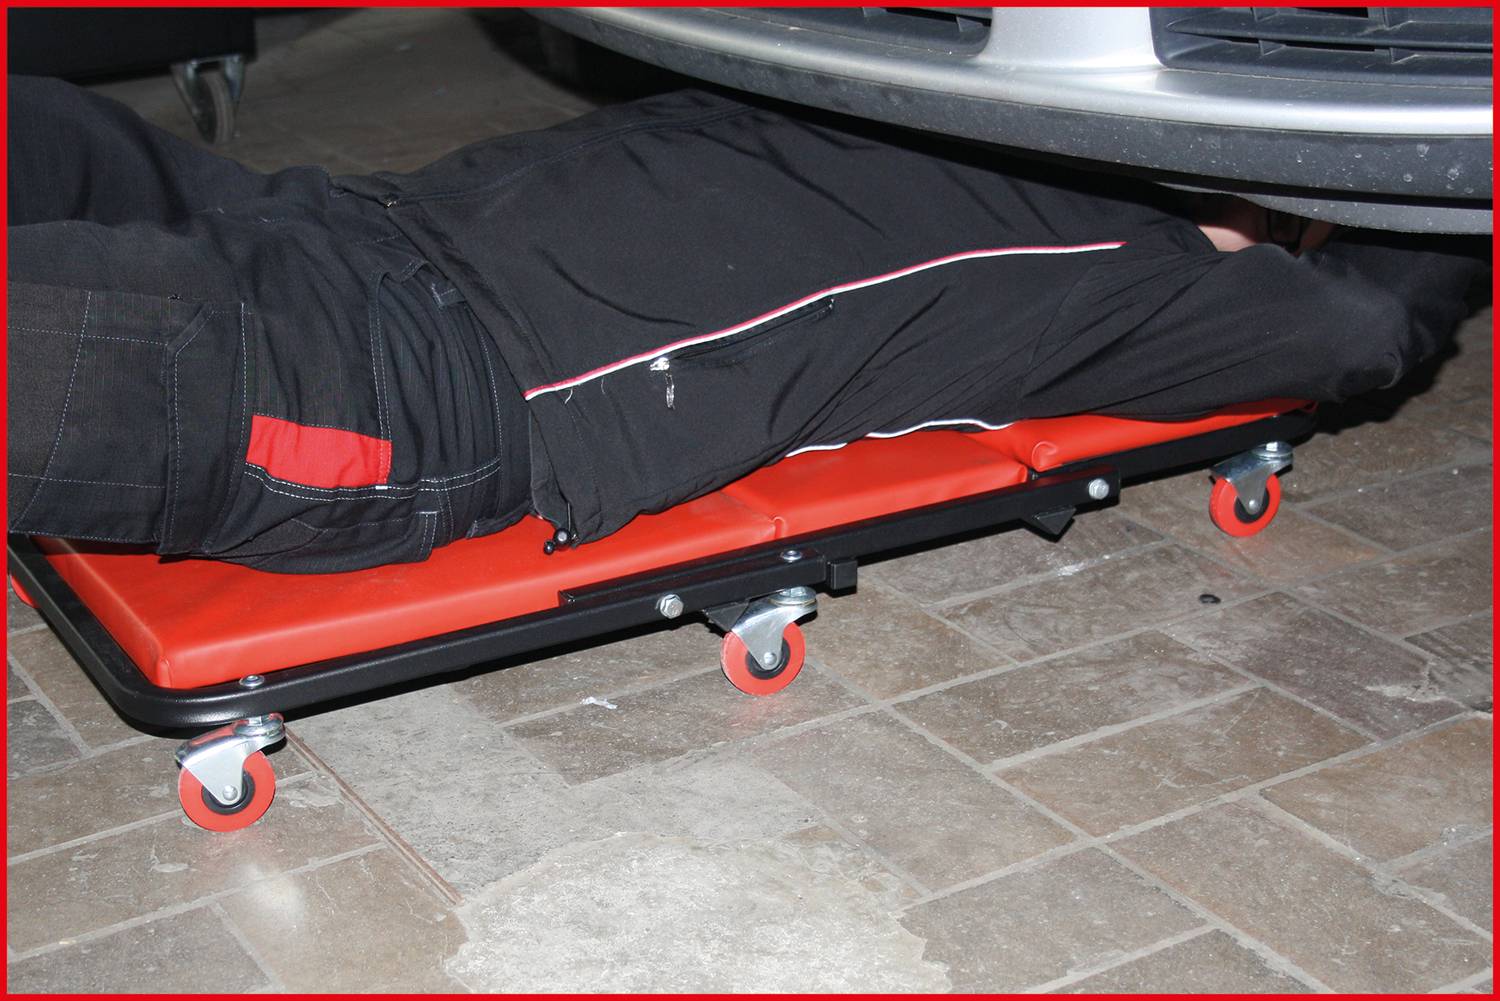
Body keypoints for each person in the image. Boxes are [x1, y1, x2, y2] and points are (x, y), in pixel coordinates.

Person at [7, 75, 1486, 573]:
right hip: (332, 214)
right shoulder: (965, 82)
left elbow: (1363, 332)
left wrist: (1441, 205)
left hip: (407, 386)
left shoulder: (1148, 287)